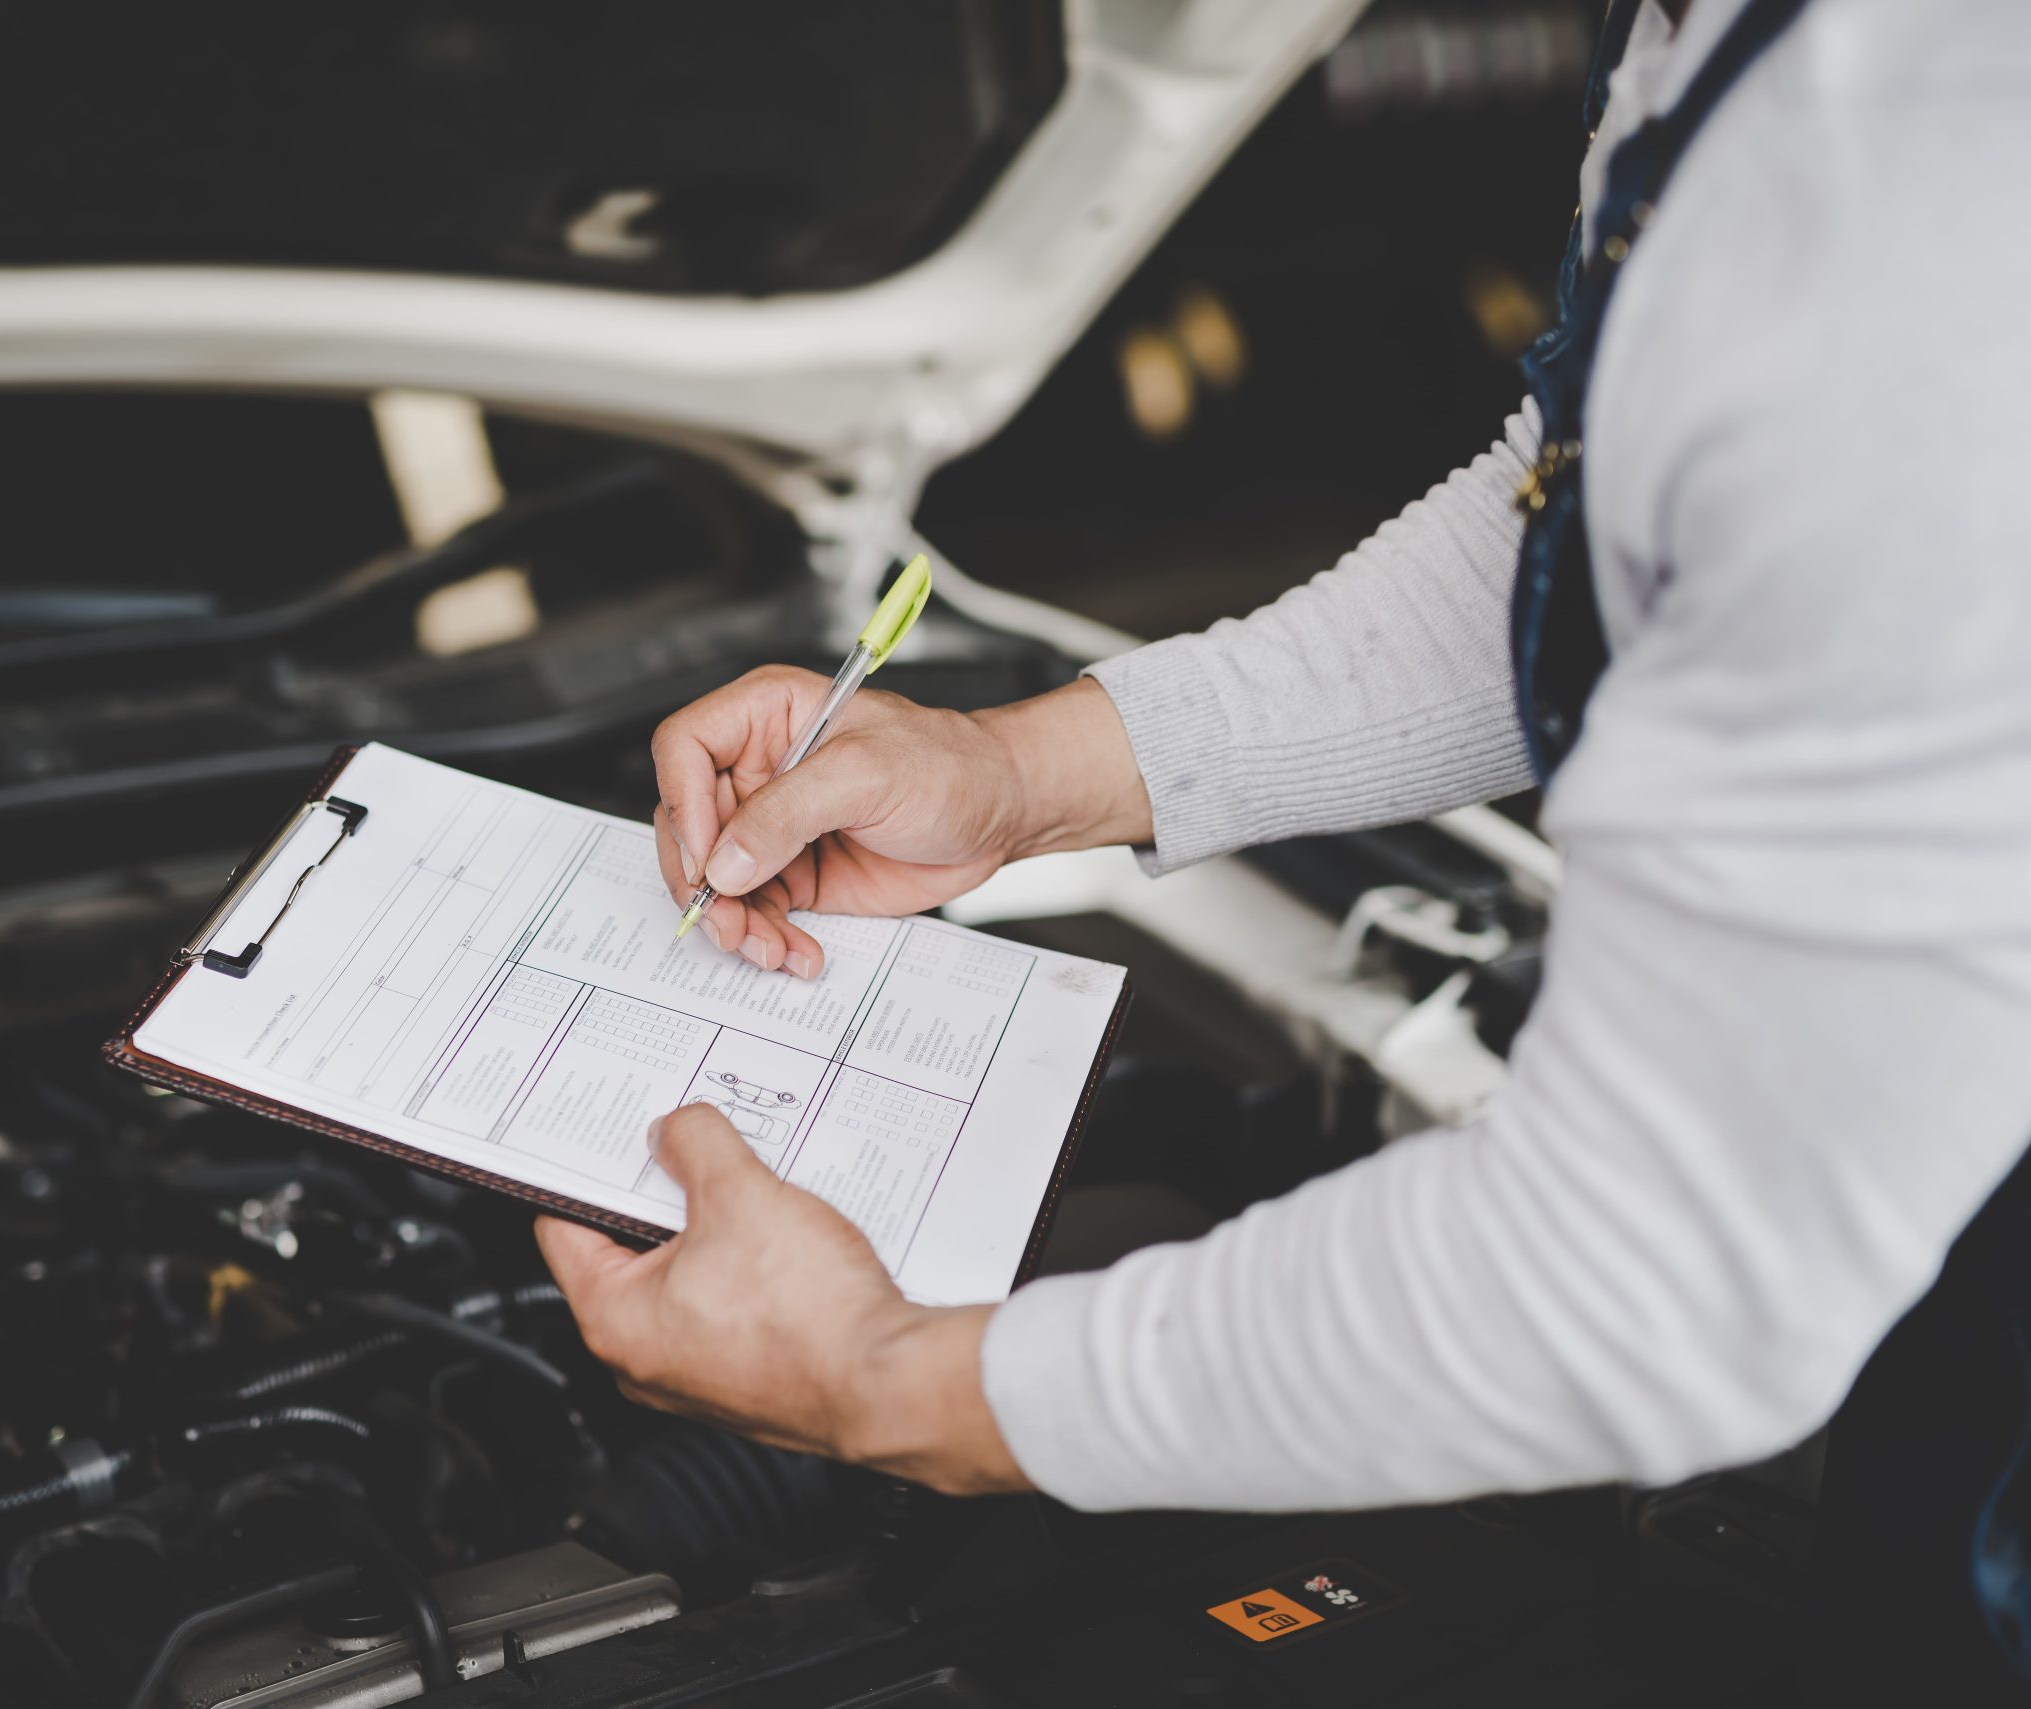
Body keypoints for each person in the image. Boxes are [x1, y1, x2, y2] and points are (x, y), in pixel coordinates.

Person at [534, 0, 2031, 1693]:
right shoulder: (1736, 50)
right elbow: (1602, 506)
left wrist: (889, 1380)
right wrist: (1021, 770)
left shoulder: (1939, 166)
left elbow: (1648, 1277)